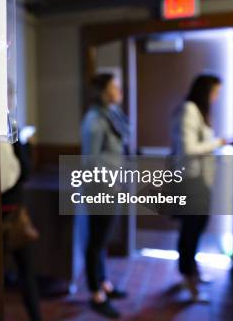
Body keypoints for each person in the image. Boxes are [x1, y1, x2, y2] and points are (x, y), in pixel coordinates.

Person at [170, 73, 226, 302]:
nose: (216, 97)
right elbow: (189, 148)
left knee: (196, 228)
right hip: (190, 181)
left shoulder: (197, 112)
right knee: (190, 231)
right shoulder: (189, 110)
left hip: (199, 181)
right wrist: (218, 143)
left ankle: (192, 273)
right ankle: (189, 279)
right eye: (214, 92)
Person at [80, 73, 128, 318]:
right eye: (114, 86)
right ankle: (95, 292)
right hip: (101, 188)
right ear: (103, 91)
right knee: (96, 241)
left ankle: (104, 282)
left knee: (103, 240)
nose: (119, 89)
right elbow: (91, 161)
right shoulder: (94, 120)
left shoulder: (112, 113)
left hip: (113, 186)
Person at [0, 135, 42, 321]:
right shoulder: (10, 132)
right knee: (26, 273)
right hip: (14, 212)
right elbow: (25, 172)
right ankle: (35, 317)